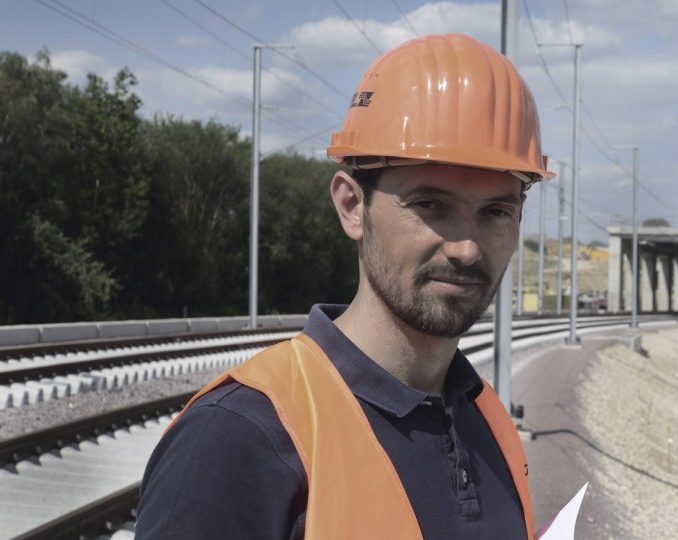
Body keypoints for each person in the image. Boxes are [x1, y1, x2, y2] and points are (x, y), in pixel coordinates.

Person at [136, 33, 554, 539]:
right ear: (352, 206)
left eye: (496, 212)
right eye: (430, 205)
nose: (466, 248)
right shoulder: (238, 438)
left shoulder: (489, 420)